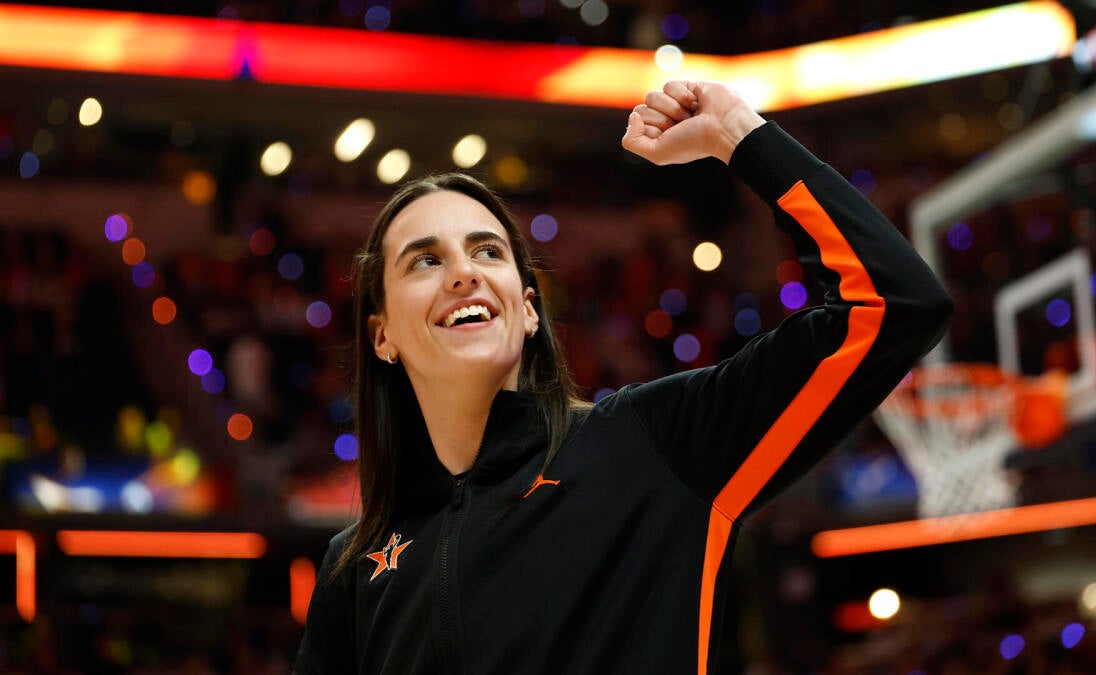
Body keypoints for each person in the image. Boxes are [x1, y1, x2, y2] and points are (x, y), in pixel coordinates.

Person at [293, 80, 953, 674]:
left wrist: (739, 135)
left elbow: (896, 303)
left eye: (487, 251)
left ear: (528, 309)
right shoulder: (354, 567)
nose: (464, 272)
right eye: (425, 260)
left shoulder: (652, 444)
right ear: (382, 335)